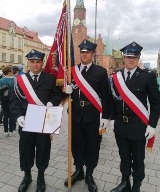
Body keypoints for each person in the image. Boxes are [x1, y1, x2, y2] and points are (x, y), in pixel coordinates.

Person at [109, 41, 160, 192]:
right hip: (120, 125)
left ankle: (136, 187)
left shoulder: (148, 77)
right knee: (124, 156)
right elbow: (112, 99)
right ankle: (125, 183)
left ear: (138, 58)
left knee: (138, 160)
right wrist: (112, 118)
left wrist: (152, 125)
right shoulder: (115, 77)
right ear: (124, 57)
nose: (131, 59)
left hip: (138, 126)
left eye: (135, 57)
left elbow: (156, 103)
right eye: (129, 56)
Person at [10, 49, 62, 192]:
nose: (35, 65)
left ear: (42, 63)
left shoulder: (50, 78)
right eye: (32, 62)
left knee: (43, 149)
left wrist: (52, 103)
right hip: (26, 122)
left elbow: (57, 95)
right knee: (26, 149)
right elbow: (14, 101)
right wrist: (18, 116)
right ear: (28, 63)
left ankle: (41, 176)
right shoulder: (20, 80)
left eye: (38, 62)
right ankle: (27, 176)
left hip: (44, 122)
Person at [64, 39, 110, 192]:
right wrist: (66, 90)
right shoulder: (72, 71)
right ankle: (79, 170)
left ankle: (89, 174)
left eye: (87, 52)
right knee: (76, 144)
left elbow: (106, 96)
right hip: (75, 115)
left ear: (92, 54)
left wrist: (105, 117)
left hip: (93, 115)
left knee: (92, 145)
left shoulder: (101, 72)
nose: (84, 55)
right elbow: (62, 91)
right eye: (82, 52)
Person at [0, 66, 15, 136]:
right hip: (12, 99)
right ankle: (11, 130)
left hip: (4, 99)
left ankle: (5, 131)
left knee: (5, 115)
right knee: (12, 115)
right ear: (9, 72)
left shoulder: (1, 80)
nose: (13, 71)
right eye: (11, 70)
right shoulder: (14, 79)